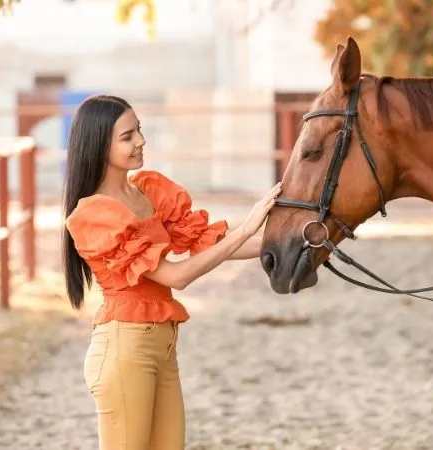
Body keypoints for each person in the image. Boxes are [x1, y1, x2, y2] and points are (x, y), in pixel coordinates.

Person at [61, 94, 281, 450]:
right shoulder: (94, 214)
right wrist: (246, 228)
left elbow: (209, 242)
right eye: (127, 136)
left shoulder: (148, 190)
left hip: (162, 345)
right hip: (124, 347)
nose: (141, 141)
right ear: (100, 145)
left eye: (139, 131)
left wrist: (293, 241)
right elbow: (176, 276)